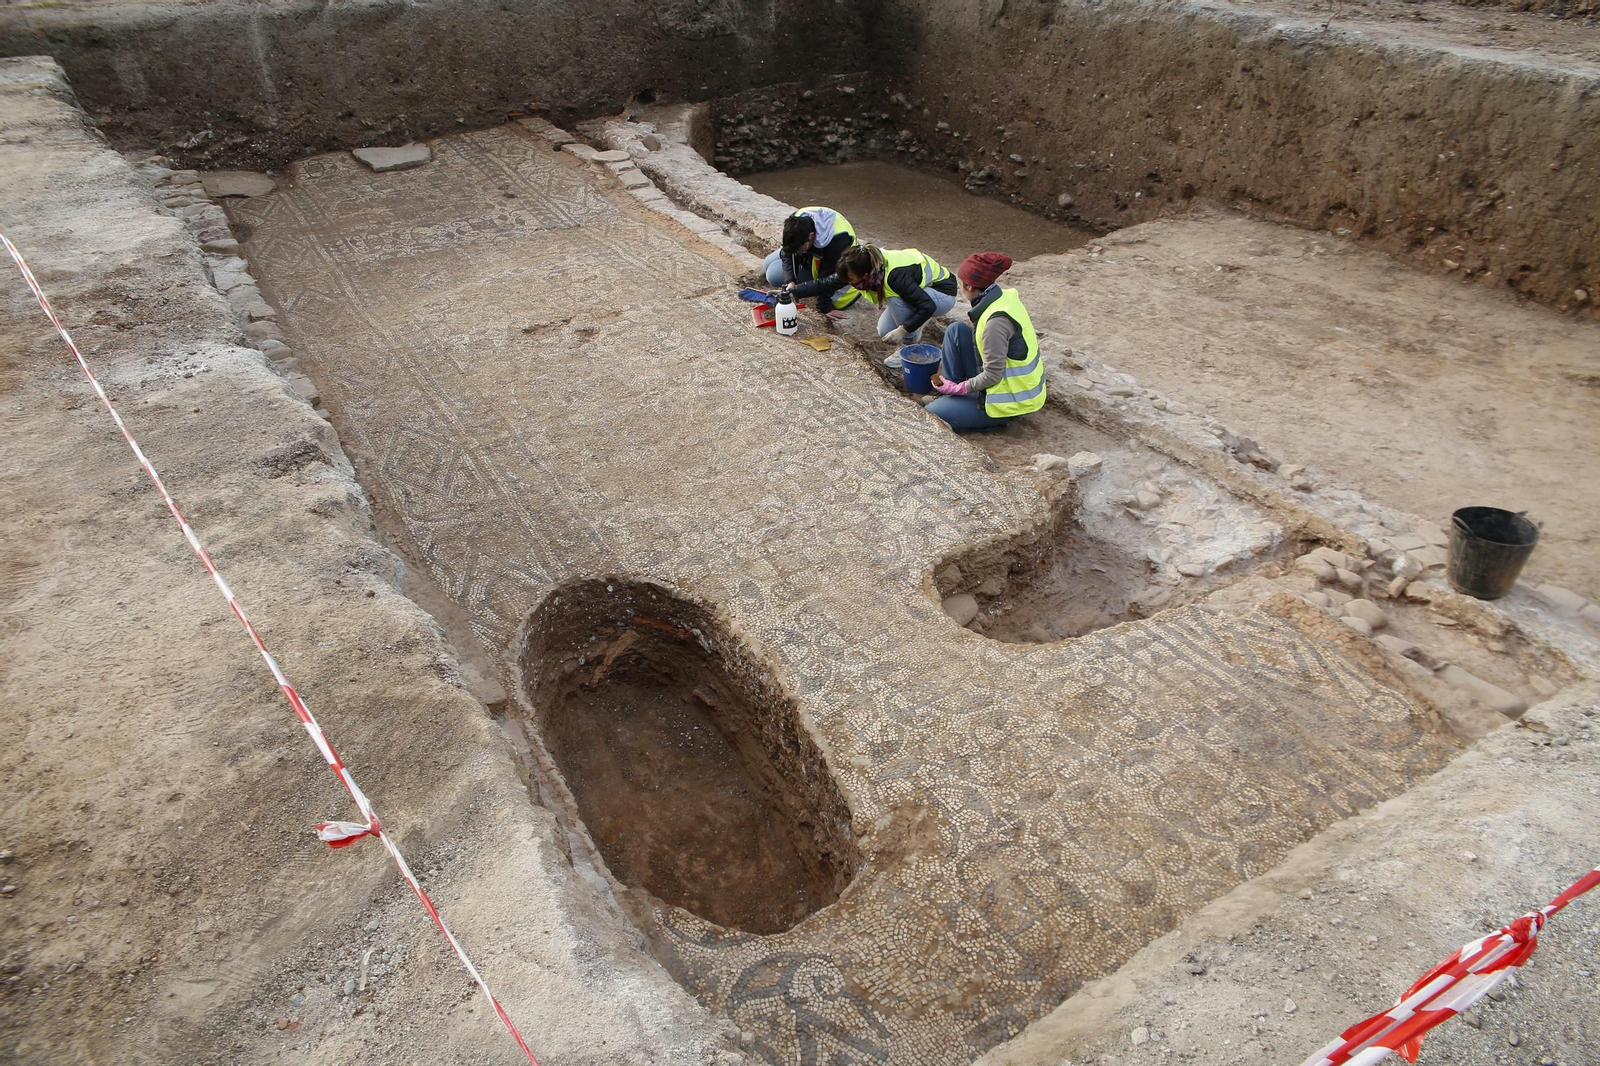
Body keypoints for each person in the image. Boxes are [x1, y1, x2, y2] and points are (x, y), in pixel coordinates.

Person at [926, 252, 1047, 433]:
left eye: (960, 284)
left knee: (931, 414)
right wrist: (957, 388)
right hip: (1001, 382)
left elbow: (992, 375)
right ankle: (954, 398)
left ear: (968, 286)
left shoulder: (995, 323)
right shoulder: (1001, 298)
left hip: (1009, 400)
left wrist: (962, 387)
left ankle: (992, 421)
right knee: (955, 330)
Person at [793, 244, 958, 359]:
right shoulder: (865, 265)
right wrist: (793, 292)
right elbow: (826, 283)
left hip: (942, 294)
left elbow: (927, 306)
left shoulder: (894, 277)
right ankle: (916, 322)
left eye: (851, 280)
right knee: (884, 330)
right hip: (921, 294)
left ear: (865, 275)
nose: (848, 283)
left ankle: (911, 347)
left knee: (896, 299)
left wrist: (903, 330)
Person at [762, 207, 861, 318]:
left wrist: (824, 308)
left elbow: (828, 280)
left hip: (838, 275)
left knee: (773, 274)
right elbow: (788, 252)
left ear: (811, 236)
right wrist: (790, 282)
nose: (797, 252)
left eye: (799, 248)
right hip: (812, 257)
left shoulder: (837, 241)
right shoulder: (797, 219)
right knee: (767, 264)